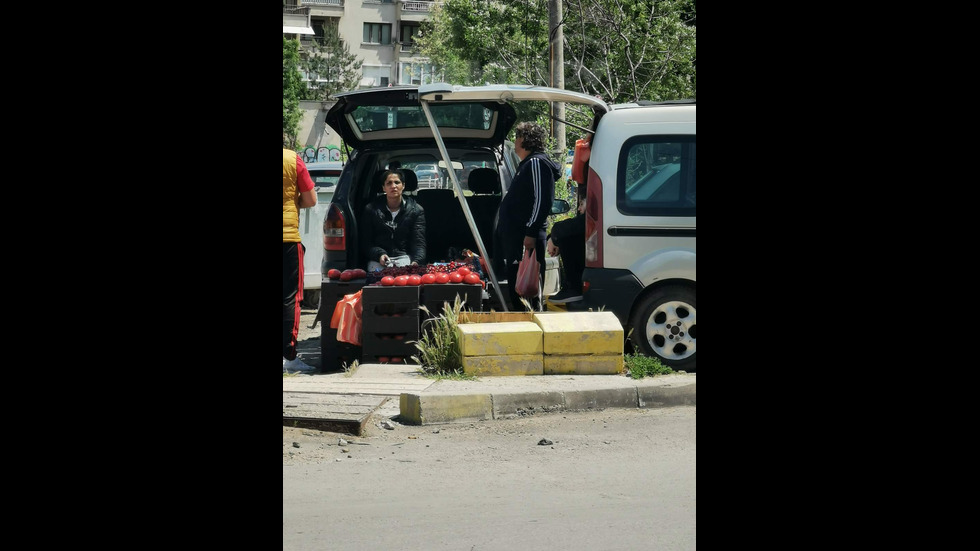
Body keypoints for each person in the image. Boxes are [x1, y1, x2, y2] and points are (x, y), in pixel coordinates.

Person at [494, 122, 559, 311]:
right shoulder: (528, 164)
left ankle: (529, 320)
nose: (514, 142)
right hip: (517, 236)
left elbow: (542, 201)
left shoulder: (537, 163)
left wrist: (530, 232)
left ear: (524, 140)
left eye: (517, 137)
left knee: (526, 285)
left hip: (526, 236)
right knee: (517, 282)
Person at [284, 147, 318, 373]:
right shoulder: (292, 158)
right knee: (289, 298)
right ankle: (288, 357)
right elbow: (311, 199)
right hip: (287, 239)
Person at [361, 169, 426, 272]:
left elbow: (418, 242)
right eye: (389, 183)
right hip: (378, 260)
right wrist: (379, 254)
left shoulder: (416, 210)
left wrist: (416, 262)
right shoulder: (371, 209)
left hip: (404, 258)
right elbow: (366, 242)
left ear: (403, 185)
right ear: (384, 187)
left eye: (397, 182)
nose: (393, 186)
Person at [547, 181, 587, 303]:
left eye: (581, 204)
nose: (579, 209)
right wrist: (553, 238)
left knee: (568, 237)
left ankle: (573, 287)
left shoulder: (590, 219)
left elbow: (567, 228)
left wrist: (554, 237)